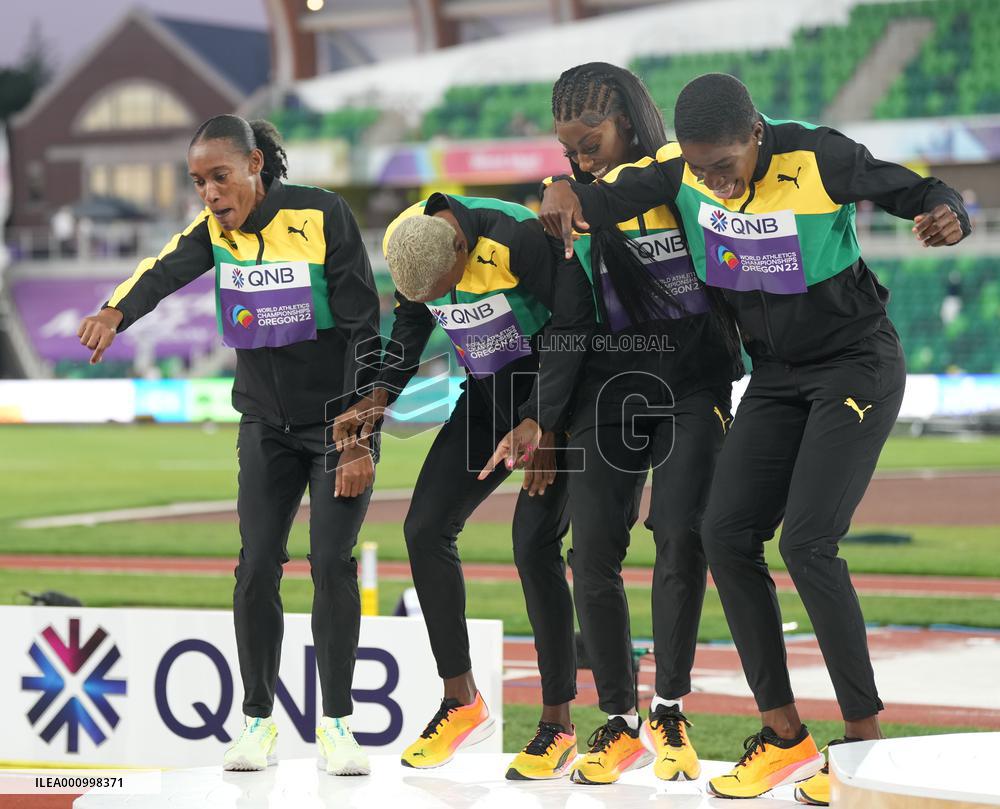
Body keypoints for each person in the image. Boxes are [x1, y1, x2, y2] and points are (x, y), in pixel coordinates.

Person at [539, 72, 970, 804]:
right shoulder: (678, 170)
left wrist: (946, 211)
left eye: (725, 166)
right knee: (725, 534)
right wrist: (560, 188)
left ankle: (863, 747)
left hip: (854, 363)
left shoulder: (819, 157)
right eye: (701, 170)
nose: (714, 182)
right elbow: (599, 194)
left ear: (756, 135)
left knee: (807, 542)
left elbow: (919, 189)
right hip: (773, 376)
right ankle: (784, 737)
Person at [76, 115, 381, 777]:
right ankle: (257, 722)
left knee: (331, 563)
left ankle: (337, 725)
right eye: (197, 182)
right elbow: (160, 271)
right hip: (264, 424)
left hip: (338, 425)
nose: (210, 194)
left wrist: (359, 432)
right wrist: (115, 311)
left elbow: (364, 327)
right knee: (256, 566)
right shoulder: (214, 232)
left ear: (254, 165)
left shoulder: (322, 214)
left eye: (219, 177)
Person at [482, 63, 742, 785]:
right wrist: (542, 417)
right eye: (568, 148)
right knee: (592, 550)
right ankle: (621, 721)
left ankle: (670, 711)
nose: (581, 158)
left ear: (626, 119)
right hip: (611, 389)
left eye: (590, 142)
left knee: (680, 534)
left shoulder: (681, 171)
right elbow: (571, 319)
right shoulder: (570, 209)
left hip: (694, 383)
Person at [332, 192, 576, 775]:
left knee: (534, 547)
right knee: (424, 529)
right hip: (487, 396)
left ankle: (558, 726)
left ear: (462, 249)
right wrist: (380, 397)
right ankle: (461, 700)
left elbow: (574, 326)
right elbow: (411, 324)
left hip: (556, 399)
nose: (441, 303)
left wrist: (545, 423)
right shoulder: (411, 239)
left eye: (445, 289)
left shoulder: (517, 237)